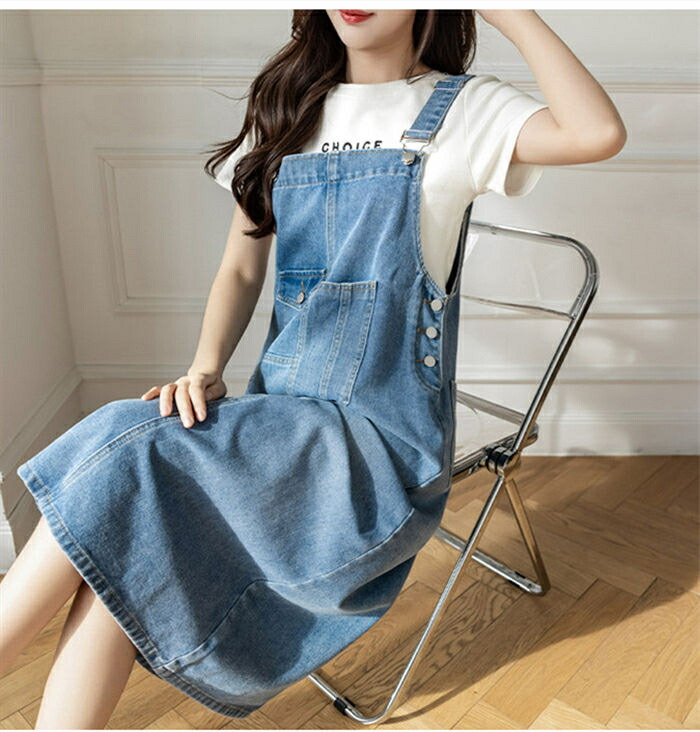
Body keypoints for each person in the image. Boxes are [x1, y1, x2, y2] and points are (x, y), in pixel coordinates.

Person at [0, 9, 626, 728]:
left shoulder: (465, 111)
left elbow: (596, 133)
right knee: (128, 516)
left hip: (378, 446)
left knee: (126, 456)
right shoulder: (289, 109)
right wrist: (205, 368)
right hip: (281, 419)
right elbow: (243, 265)